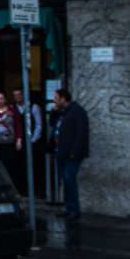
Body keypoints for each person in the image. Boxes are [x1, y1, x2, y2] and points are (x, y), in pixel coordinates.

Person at [52, 88, 90, 220]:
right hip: (61, 152)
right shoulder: (62, 113)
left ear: (63, 98)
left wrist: (75, 151)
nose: (54, 101)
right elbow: (54, 126)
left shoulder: (77, 111)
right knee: (66, 181)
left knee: (69, 179)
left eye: (56, 98)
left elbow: (81, 133)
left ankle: (74, 210)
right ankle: (69, 208)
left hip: (71, 154)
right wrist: (55, 112)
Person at [0, 90, 24, 192]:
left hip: (9, 144)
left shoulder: (12, 111)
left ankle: (10, 189)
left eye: (1, 98)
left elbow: (18, 125)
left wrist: (19, 140)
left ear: (5, 100)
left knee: (9, 167)